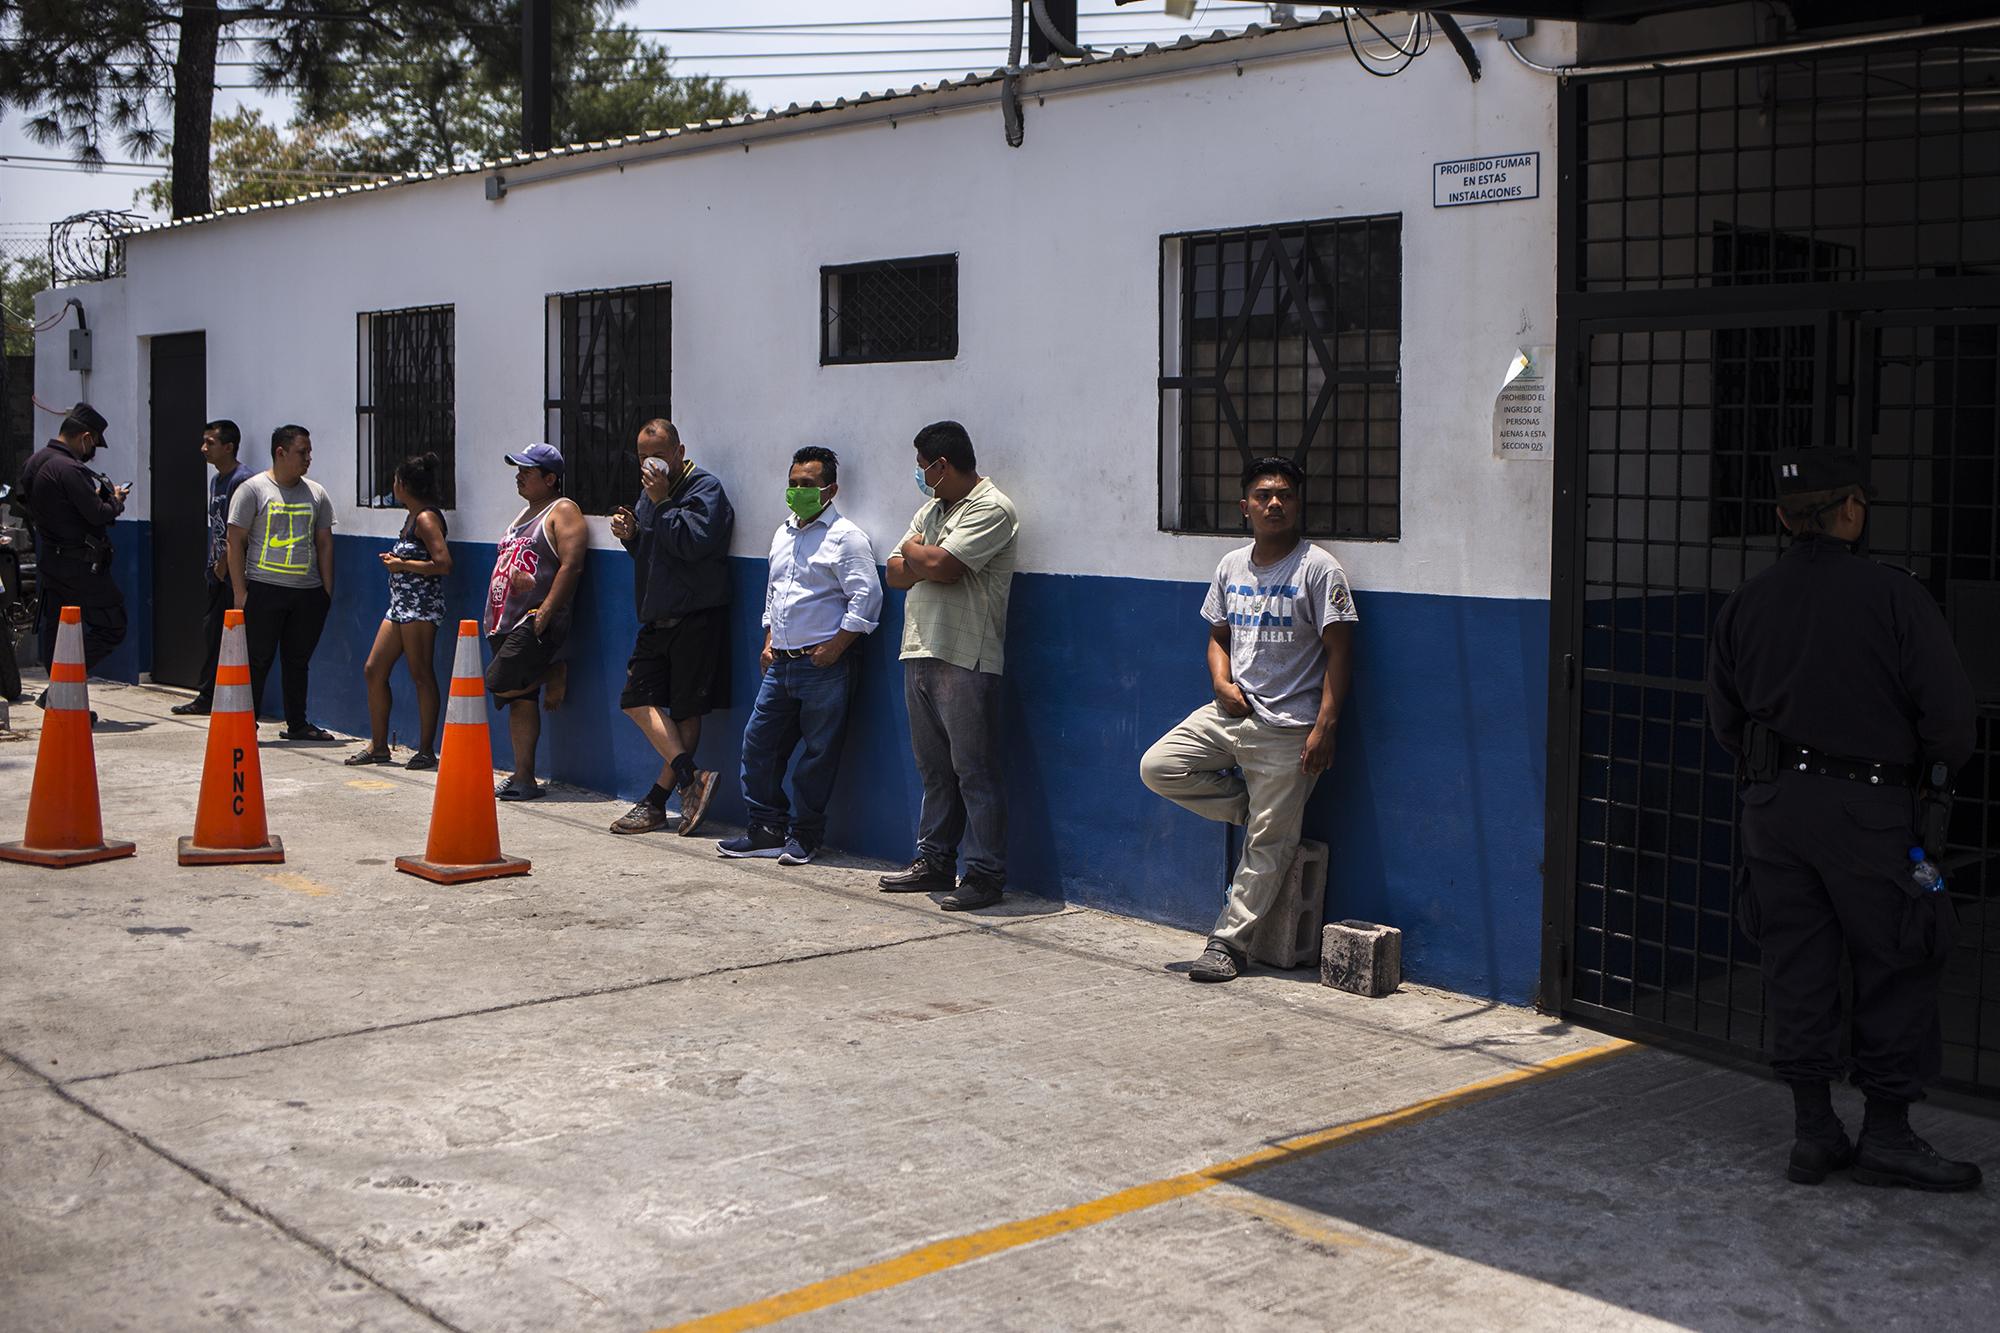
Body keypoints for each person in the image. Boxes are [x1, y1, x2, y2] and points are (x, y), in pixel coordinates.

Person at [1708, 448, 1981, 1192]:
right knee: (1903, 950)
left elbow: (1726, 721)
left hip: (1775, 812)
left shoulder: (1747, 602)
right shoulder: (1896, 598)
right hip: (1874, 813)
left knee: (1797, 964)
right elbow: (1952, 722)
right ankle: (1887, 1132)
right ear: (1852, 509)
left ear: (1782, 517)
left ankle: (1814, 1131)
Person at [1140, 457, 1356, 984]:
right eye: (1263, 496)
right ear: (1246, 507)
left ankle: (1228, 945)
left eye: (1283, 495)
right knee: (1158, 766)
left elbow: (1341, 651)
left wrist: (1325, 726)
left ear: (1297, 504)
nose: (1274, 503)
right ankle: (1262, 814)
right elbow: (1217, 634)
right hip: (1230, 712)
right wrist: (1220, 682)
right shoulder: (1231, 565)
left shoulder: (1319, 569)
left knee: (1267, 846)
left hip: (1288, 728)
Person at [716, 446, 881, 864]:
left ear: (831, 489)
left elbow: (866, 598)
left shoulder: (846, 538)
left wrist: (835, 648)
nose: (797, 492)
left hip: (824, 666)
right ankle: (766, 828)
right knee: (758, 746)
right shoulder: (783, 533)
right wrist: (769, 637)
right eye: (793, 484)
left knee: (817, 756)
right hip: (781, 663)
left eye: (807, 485)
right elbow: (775, 592)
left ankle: (805, 837)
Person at [878, 420, 1018, 911]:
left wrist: (920, 554)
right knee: (934, 769)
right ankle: (934, 859)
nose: (919, 476)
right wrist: (922, 555)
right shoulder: (933, 508)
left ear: (941, 465)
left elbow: (942, 566)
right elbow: (894, 573)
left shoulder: (992, 508)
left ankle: (984, 873)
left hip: (966, 655)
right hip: (919, 649)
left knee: (973, 770)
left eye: (922, 468)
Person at [607, 420, 734, 836]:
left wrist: (661, 503)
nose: (651, 464)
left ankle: (657, 801)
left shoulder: (705, 490)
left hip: (696, 617)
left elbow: (693, 546)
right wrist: (632, 535)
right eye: (643, 458)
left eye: (659, 455)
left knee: (686, 711)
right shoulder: (649, 495)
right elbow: (653, 549)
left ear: (679, 451)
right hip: (656, 616)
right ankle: (690, 778)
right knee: (634, 699)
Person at [485, 444, 587, 801]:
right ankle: (524, 778)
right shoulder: (522, 515)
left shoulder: (563, 511)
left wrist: (544, 613)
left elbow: (571, 566)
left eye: (527, 472)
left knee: (498, 683)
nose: (519, 476)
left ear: (550, 478)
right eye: (518, 470)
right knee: (520, 699)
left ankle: (551, 673)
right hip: (506, 619)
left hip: (535, 619)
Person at [227, 424, 338, 740]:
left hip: (307, 593)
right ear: (281, 452)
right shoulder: (253, 490)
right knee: (257, 659)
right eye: (302, 452)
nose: (308, 459)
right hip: (264, 589)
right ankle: (246, 722)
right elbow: (235, 542)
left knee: (297, 660)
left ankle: (298, 723)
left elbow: (325, 543)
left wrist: (326, 590)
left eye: (309, 452)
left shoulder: (317, 494)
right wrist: (240, 592)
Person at [347, 452, 453, 769]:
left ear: (404, 485)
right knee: (373, 669)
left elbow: (444, 564)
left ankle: (425, 750)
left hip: (420, 608)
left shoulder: (426, 518)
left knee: (421, 674)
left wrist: (401, 564)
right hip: (400, 607)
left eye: (395, 481)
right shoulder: (411, 516)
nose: (393, 486)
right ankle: (379, 746)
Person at [17, 403, 129, 681]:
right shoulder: (68, 468)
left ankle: (61, 698)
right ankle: (61, 685)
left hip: (52, 561)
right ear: (86, 438)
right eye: (93, 446)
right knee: (112, 626)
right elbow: (98, 514)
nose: (91, 454)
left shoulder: (35, 462)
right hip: (80, 565)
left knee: (60, 631)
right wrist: (115, 500)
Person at [173, 420, 255, 716]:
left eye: (210, 443)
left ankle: (216, 696)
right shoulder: (216, 480)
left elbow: (240, 531)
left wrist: (224, 565)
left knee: (228, 635)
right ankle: (208, 694)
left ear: (229, 447)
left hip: (232, 573)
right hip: (216, 573)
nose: (203, 448)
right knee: (212, 634)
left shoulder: (241, 481)